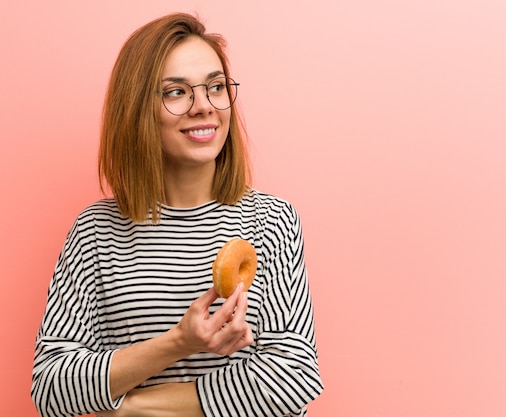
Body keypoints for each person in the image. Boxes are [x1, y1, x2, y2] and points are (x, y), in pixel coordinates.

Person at [31, 12, 323, 417]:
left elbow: (292, 377)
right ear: (137, 108)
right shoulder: (96, 230)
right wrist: (178, 342)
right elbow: (51, 386)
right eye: (176, 92)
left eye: (216, 87)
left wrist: (132, 409)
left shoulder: (270, 220)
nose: (204, 106)